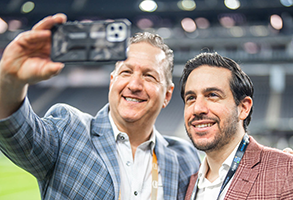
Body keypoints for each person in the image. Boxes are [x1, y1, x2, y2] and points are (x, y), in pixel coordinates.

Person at [0, 14, 200, 200]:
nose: (134, 85)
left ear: (167, 95)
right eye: (126, 72)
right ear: (112, 81)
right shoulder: (68, 130)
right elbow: (16, 131)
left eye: (149, 76)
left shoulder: (184, 159)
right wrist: (10, 80)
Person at [181, 52, 293, 200]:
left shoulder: (286, 172)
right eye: (190, 98)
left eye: (212, 95)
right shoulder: (188, 184)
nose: (197, 108)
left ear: (243, 108)